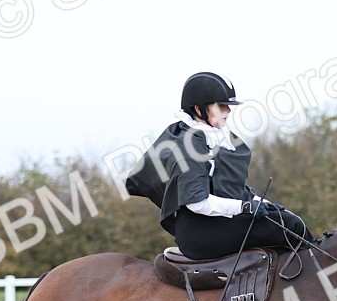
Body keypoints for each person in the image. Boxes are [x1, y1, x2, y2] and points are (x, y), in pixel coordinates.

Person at [124, 71, 312, 260]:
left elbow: (230, 190)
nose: (228, 111)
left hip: (218, 223)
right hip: (200, 232)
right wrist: (245, 207)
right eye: (221, 106)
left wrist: (265, 204)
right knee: (290, 225)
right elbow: (197, 203)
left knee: (288, 219)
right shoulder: (187, 147)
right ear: (198, 109)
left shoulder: (217, 139)